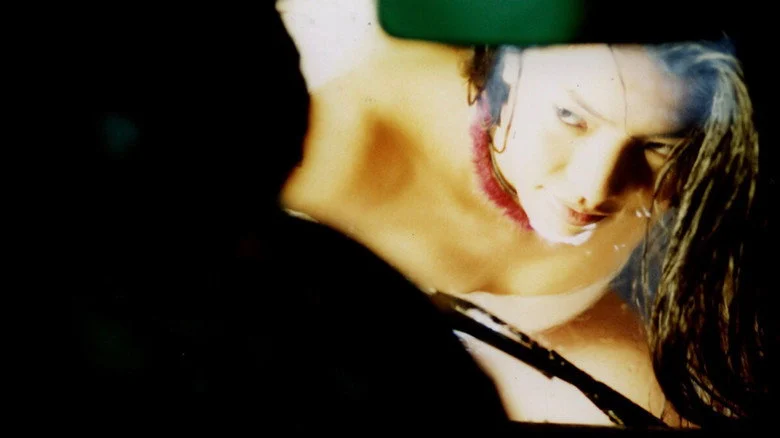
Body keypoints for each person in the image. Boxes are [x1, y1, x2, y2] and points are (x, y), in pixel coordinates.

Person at [279, 4, 766, 426]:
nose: (594, 189)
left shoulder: (699, 167)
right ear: (506, 66)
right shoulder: (337, 153)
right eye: (571, 117)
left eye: (656, 144)